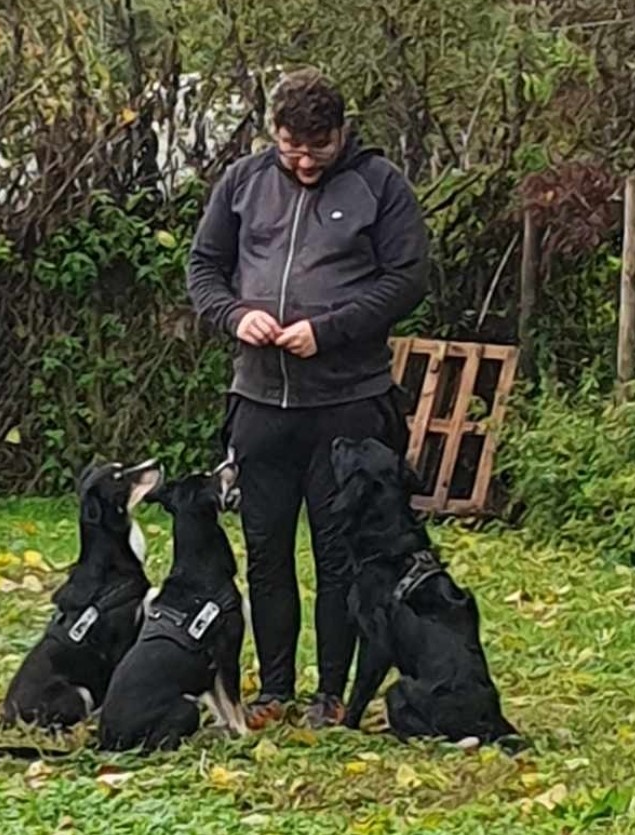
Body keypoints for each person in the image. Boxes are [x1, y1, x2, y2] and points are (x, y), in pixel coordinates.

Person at [186, 67, 429, 728]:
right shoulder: (242, 182)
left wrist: (328, 331)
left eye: (317, 148)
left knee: (338, 554)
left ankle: (331, 692)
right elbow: (203, 267)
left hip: (347, 405)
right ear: (273, 132)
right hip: (259, 402)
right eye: (291, 147)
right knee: (266, 553)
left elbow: (408, 279)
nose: (303, 161)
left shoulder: (380, 185)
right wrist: (235, 314)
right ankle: (274, 688)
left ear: (342, 132)